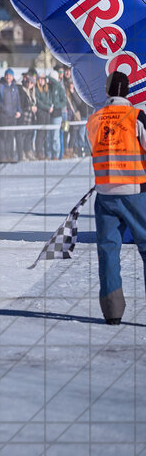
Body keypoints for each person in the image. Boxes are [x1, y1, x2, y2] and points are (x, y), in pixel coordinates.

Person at [86, 71, 146, 325]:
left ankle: (112, 311)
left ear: (108, 90)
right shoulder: (137, 116)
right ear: (127, 90)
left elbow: (93, 148)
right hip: (135, 193)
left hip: (105, 195)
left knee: (108, 251)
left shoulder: (94, 119)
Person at [0, 69, 22, 163]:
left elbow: (17, 101)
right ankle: (2, 155)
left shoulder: (15, 88)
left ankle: (9, 155)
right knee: (2, 137)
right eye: (7, 75)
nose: (8, 77)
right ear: (5, 76)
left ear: (13, 77)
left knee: (10, 137)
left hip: (12, 116)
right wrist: (2, 107)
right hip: (2, 116)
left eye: (10, 75)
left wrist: (19, 111)